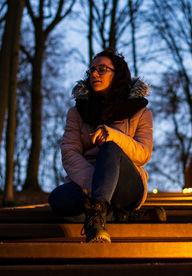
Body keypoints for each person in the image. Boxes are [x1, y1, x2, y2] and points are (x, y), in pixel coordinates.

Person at [48, 48, 154, 243]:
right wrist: (94, 183)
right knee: (57, 199)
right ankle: (116, 214)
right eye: (92, 70)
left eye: (102, 69)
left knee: (111, 147)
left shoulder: (141, 112)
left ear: (117, 74)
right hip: (87, 182)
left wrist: (113, 135)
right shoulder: (77, 112)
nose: (94, 74)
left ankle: (96, 222)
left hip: (127, 187)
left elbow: (144, 153)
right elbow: (70, 151)